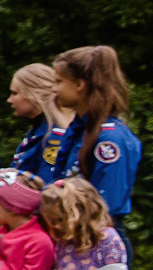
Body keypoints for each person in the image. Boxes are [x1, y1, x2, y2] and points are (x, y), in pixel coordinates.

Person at [47, 45, 140, 225]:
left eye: (58, 81)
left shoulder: (110, 140)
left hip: (96, 234)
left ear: (79, 85)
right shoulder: (79, 130)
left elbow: (106, 205)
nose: (53, 89)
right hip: (74, 230)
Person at [5, 63, 68, 179]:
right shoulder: (35, 135)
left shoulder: (53, 139)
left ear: (34, 94)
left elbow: (47, 185)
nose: (9, 100)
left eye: (15, 93)